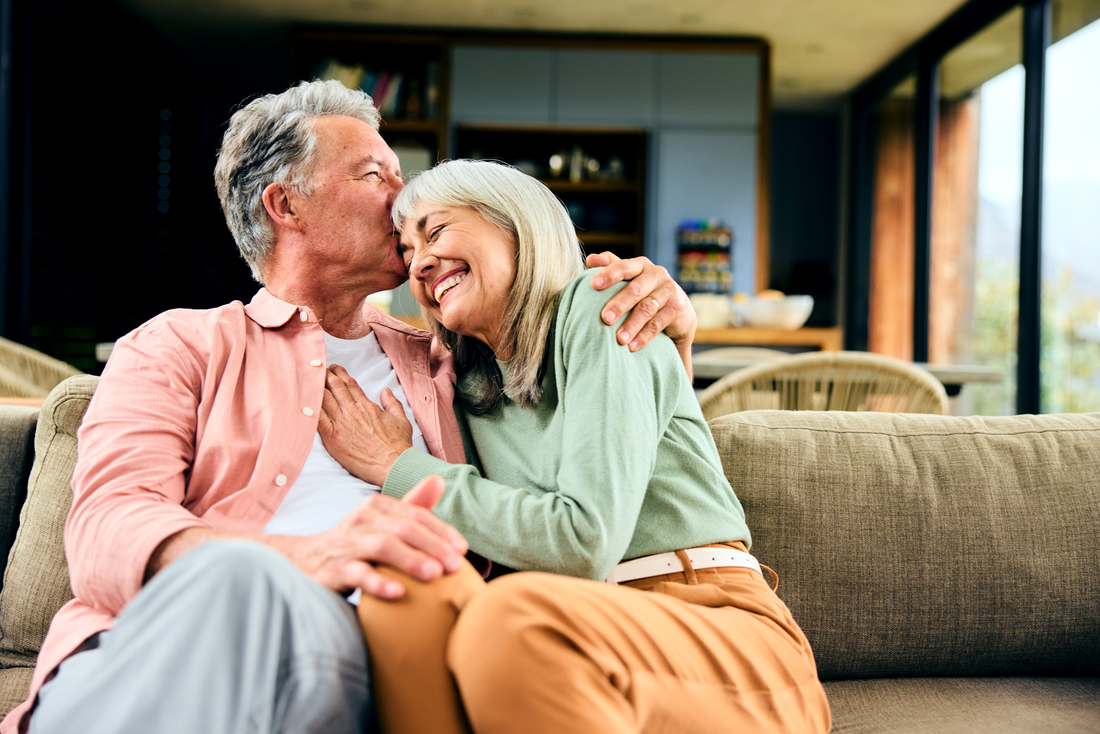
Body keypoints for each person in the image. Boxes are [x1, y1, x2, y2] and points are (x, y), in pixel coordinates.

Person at [1, 80, 696, 734]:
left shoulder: (455, 361)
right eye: (374, 176)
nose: (403, 199)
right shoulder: (179, 346)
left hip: (376, 636)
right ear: (285, 206)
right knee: (243, 586)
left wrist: (666, 330)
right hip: (173, 633)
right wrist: (303, 557)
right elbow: (108, 529)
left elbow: (603, 448)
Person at [320, 159, 832, 734]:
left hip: (712, 624)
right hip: (577, 631)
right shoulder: (465, 387)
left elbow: (585, 539)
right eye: (407, 252)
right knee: (401, 595)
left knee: (510, 620)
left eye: (435, 231)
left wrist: (399, 466)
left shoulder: (602, 304)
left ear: (516, 223)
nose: (420, 263)